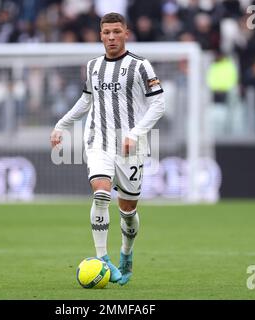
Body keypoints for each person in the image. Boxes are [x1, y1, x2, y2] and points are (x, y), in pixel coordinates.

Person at [50, 12, 165, 285]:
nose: (111, 37)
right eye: (106, 32)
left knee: (128, 212)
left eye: (116, 32)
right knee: (101, 194)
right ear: (100, 35)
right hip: (98, 142)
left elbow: (158, 104)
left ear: (126, 33)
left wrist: (136, 134)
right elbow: (86, 100)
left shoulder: (141, 66)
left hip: (131, 149)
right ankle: (102, 258)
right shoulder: (92, 66)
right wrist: (61, 125)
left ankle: (126, 253)